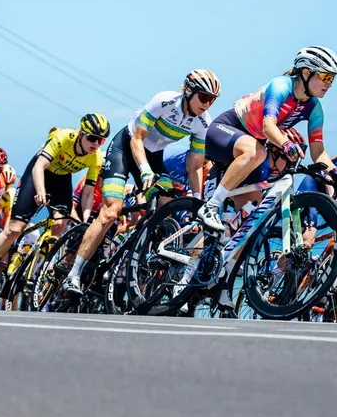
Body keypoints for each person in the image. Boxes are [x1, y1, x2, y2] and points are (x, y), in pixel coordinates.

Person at [64, 70, 220, 294]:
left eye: (212, 100)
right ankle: (74, 274)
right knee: (111, 212)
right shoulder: (164, 102)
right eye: (204, 97)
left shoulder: (203, 123)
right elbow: (137, 139)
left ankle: (136, 252)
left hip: (154, 155)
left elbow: (195, 165)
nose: (207, 104)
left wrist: (197, 200)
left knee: (166, 207)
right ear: (188, 91)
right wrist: (145, 171)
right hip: (126, 149)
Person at [199, 46, 337, 233]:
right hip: (227, 129)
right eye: (326, 77)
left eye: (332, 79)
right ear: (306, 73)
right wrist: (286, 144)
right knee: (256, 152)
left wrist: (335, 171)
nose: (329, 83)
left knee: (250, 223)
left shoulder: (314, 108)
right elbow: (268, 127)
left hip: (254, 147)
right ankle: (211, 206)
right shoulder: (281, 86)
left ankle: (229, 258)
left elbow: (319, 153)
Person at [0, 113, 109, 301]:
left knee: (60, 224)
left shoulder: (96, 157)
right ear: (81, 134)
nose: (96, 144)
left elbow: (88, 193)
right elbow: (39, 166)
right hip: (39, 173)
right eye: (92, 138)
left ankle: (39, 266)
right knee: (14, 229)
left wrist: (85, 221)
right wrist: (41, 191)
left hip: (61, 179)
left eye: (101, 140)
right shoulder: (63, 137)